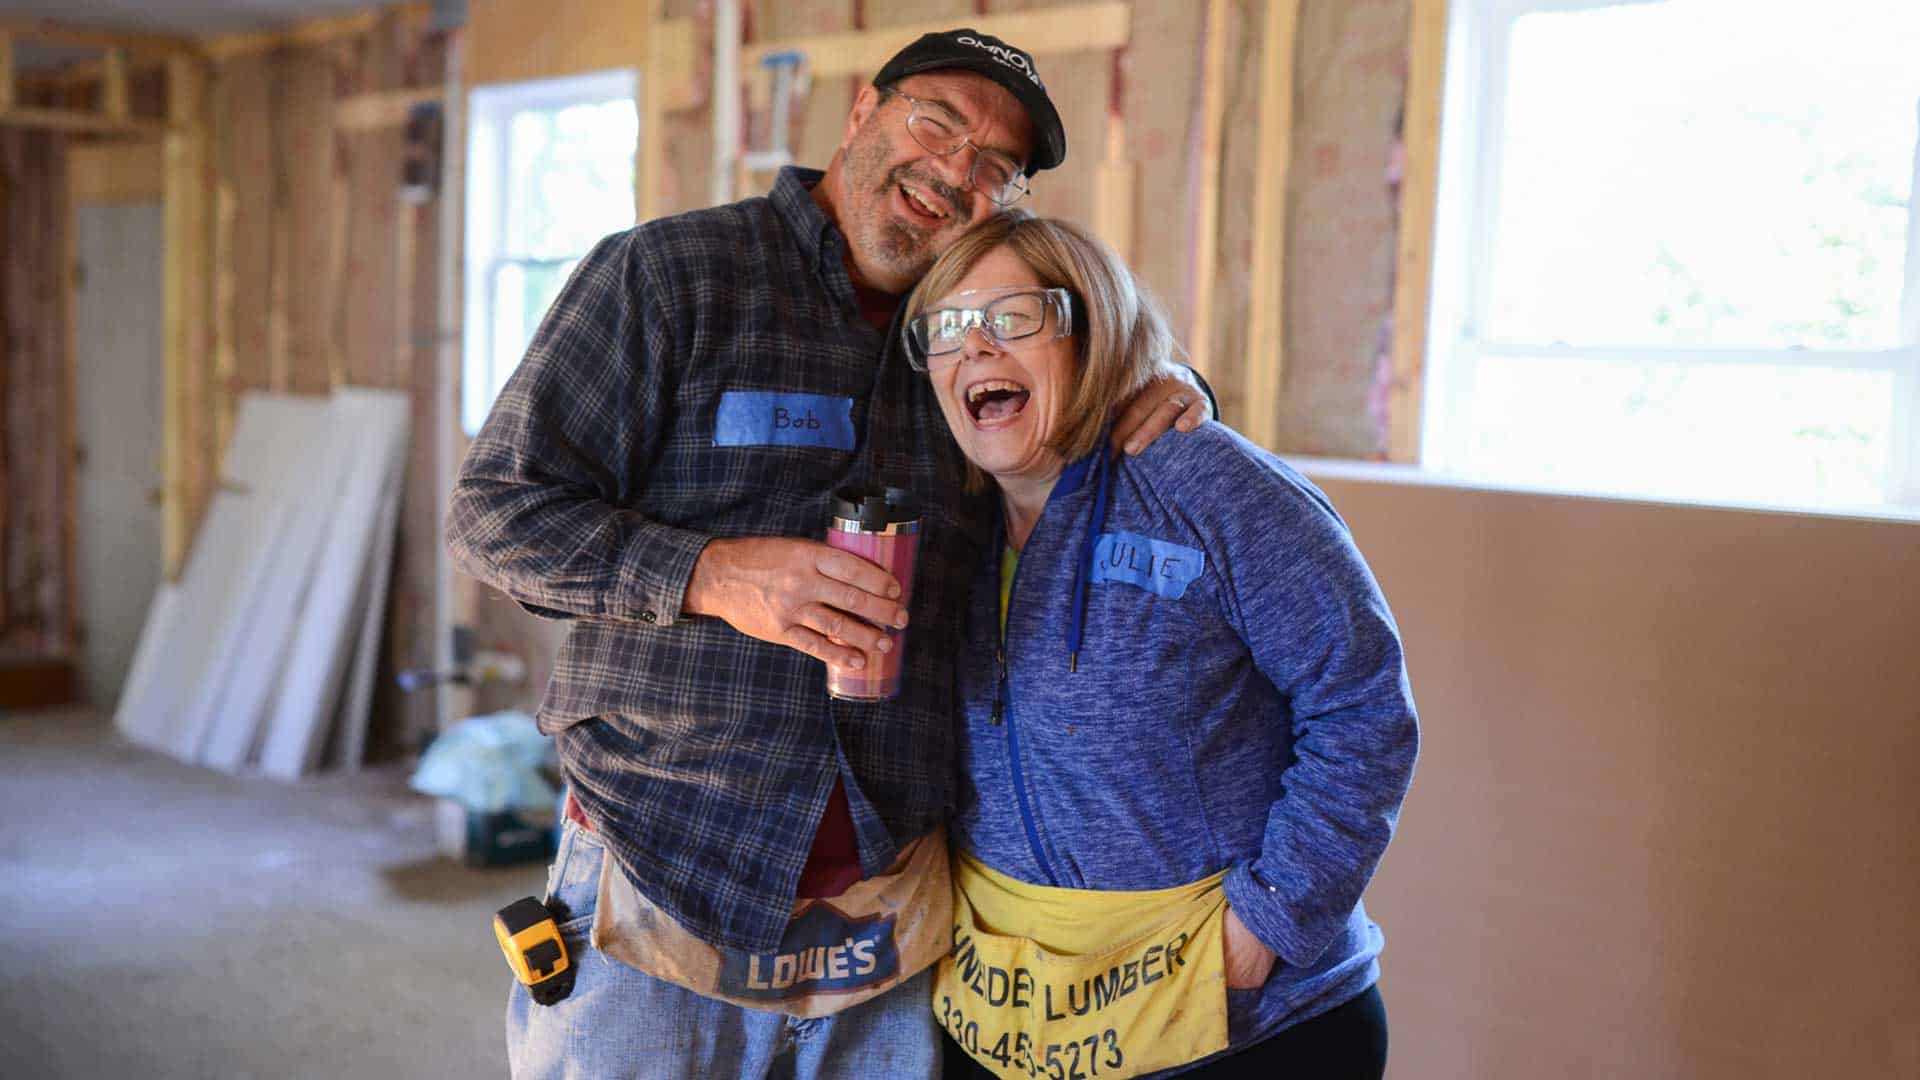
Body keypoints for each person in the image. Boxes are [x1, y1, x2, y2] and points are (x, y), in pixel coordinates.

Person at [446, 28, 1209, 1080]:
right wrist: (714, 574)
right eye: (934, 123)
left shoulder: (981, 341)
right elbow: (494, 515)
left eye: (997, 167)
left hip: (888, 903)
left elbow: (1108, 361)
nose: (953, 172)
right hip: (661, 864)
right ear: (862, 112)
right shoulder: (671, 278)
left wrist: (1181, 383)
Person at [902, 213, 1418, 1079]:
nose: (977, 346)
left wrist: (1268, 924)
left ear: (1090, 331)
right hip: (1007, 1020)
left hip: (1246, 1029)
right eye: (948, 327)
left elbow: (1363, 708)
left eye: (1014, 316)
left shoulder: (1205, 484)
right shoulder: (947, 526)